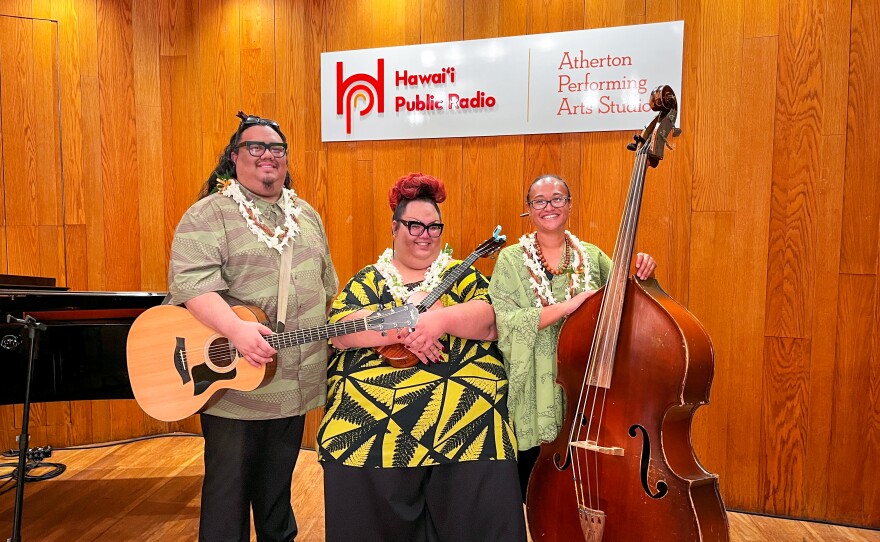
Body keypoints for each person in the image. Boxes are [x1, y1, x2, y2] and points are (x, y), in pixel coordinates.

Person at [315, 173, 527, 542]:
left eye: (433, 227)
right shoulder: (369, 279)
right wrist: (405, 329)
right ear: (395, 228)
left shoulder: (460, 273)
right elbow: (342, 330)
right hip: (373, 397)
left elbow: (489, 320)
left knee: (482, 415)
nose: (424, 234)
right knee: (347, 426)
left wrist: (439, 320)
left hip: (463, 400)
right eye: (414, 225)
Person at [167, 112, 338, 541]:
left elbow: (326, 288)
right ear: (235, 156)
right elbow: (191, 285)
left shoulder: (306, 214)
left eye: (276, 148)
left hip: (292, 382)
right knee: (228, 495)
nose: (267, 155)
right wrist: (236, 330)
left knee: (277, 493)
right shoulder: (209, 214)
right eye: (255, 147)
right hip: (232, 386)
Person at [488, 173, 656, 501]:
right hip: (535, 387)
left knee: (587, 486)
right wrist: (568, 307)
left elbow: (627, 300)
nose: (548, 206)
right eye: (540, 201)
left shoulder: (591, 257)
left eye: (557, 199)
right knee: (534, 491)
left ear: (569, 205)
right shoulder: (510, 259)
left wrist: (644, 269)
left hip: (585, 383)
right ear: (529, 209)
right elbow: (504, 323)